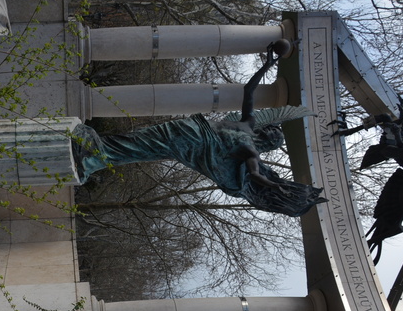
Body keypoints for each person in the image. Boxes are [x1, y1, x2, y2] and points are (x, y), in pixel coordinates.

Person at [73, 41, 327, 217]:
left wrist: (277, 187)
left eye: (274, 136)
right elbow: (249, 92)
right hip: (191, 136)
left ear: (268, 142)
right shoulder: (248, 134)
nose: (272, 133)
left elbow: (257, 176)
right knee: (141, 145)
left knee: (141, 146)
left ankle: (93, 155)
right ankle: (94, 155)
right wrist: (267, 65)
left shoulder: (250, 146)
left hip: (190, 136)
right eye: (274, 132)